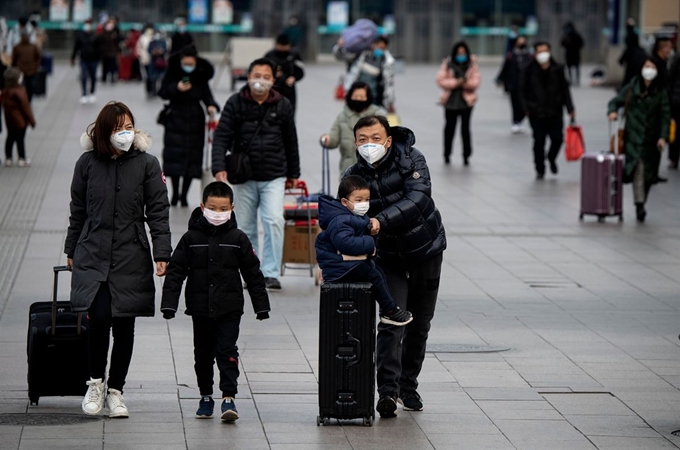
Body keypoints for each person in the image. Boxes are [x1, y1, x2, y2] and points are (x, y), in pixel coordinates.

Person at [64, 101, 171, 418]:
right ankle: (95, 383)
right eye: (116, 128)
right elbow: (77, 211)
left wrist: (161, 252)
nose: (124, 134)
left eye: (128, 127)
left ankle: (116, 391)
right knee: (97, 320)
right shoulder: (86, 164)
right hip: (93, 252)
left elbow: (158, 212)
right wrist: (72, 248)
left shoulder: (147, 164)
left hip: (130, 253)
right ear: (102, 132)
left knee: (125, 325)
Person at [343, 115, 446, 418]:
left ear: (387, 140)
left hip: (426, 249)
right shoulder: (353, 174)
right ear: (355, 143)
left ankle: (408, 386)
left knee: (420, 323)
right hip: (387, 258)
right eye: (363, 139)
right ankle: (387, 392)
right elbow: (346, 214)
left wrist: (379, 220)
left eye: (375, 138)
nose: (369, 145)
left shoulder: (411, 159)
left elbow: (418, 198)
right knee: (392, 321)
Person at [161, 182, 270, 422]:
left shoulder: (238, 239)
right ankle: (206, 396)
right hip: (200, 308)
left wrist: (261, 306)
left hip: (230, 307)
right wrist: (169, 303)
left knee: (226, 351)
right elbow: (176, 271)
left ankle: (228, 396)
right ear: (202, 207)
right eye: (212, 208)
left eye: (223, 209)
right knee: (202, 354)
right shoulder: (190, 238)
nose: (218, 213)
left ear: (231, 208)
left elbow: (253, 273)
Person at [211, 58, 300, 291]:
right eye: (256, 75)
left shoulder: (283, 104)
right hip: (244, 175)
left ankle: (270, 273)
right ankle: (251, 271)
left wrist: (294, 172)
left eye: (265, 76)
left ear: (273, 79)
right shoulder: (235, 103)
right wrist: (219, 166)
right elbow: (221, 136)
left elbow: (291, 139)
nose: (260, 80)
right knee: (246, 226)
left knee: (273, 220)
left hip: (274, 174)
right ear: (248, 77)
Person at [316, 176, 413, 326]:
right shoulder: (340, 220)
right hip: (338, 266)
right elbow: (345, 243)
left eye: (367, 199)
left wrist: (367, 228)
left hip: (344, 263)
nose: (364, 204)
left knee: (377, 272)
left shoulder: (351, 216)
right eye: (359, 200)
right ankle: (389, 311)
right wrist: (369, 243)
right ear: (344, 202)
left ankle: (389, 309)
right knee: (374, 275)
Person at [608, 58, 669, 222]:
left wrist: (663, 137)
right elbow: (615, 101)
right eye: (646, 66)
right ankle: (639, 205)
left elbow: (665, 116)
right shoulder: (632, 87)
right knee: (638, 168)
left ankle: (642, 201)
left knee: (649, 175)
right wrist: (612, 111)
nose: (649, 70)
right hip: (633, 137)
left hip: (652, 140)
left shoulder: (661, 92)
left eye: (652, 67)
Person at [159, 46, 219, 207]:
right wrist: (176, 88)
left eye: (190, 63)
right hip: (175, 118)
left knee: (192, 159)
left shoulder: (200, 75)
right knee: (174, 157)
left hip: (195, 120)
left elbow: (207, 95)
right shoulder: (172, 73)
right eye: (185, 63)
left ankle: (184, 194)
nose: (188, 65)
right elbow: (162, 91)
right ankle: (174, 192)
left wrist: (211, 106)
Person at [520, 41, 575, 179]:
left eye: (545, 51)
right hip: (536, 112)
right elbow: (522, 90)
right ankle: (540, 167)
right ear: (535, 53)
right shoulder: (528, 69)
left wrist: (570, 108)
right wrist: (526, 108)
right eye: (539, 51)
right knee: (539, 141)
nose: (543, 54)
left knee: (557, 139)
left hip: (555, 110)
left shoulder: (558, 68)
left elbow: (565, 89)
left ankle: (551, 157)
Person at [320, 81, 386, 175]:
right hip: (348, 170)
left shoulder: (377, 116)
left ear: (368, 98)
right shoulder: (342, 116)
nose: (358, 100)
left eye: (362, 97)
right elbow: (333, 138)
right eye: (355, 97)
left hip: (372, 170)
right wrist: (327, 139)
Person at [436, 41, 480, 166]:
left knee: (465, 129)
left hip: (466, 101)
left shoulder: (472, 65)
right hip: (450, 101)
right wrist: (456, 83)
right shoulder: (448, 64)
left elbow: (476, 82)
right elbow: (440, 80)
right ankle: (447, 154)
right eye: (459, 53)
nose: (461, 55)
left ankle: (466, 155)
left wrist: (465, 83)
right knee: (449, 129)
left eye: (463, 53)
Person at [334, 35, 396, 113]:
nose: (379, 49)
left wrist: (390, 102)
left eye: (382, 48)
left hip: (373, 98)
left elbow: (389, 83)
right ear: (372, 44)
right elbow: (341, 56)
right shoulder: (360, 54)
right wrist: (339, 47)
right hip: (356, 96)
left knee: (371, 121)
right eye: (378, 46)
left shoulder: (387, 61)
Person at [496, 35, 532, 133]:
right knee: (515, 104)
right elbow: (505, 68)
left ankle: (520, 120)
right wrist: (499, 80)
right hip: (514, 84)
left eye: (523, 41)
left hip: (526, 86)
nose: (521, 43)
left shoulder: (529, 56)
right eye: (519, 41)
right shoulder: (511, 55)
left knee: (525, 105)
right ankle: (515, 122)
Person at [264, 33, 305, 115]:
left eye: (285, 46)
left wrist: (294, 77)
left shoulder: (293, 55)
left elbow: (301, 70)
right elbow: (262, 70)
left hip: (288, 90)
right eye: (281, 46)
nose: (283, 48)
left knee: (289, 114)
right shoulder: (270, 55)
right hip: (272, 89)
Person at [2, 68, 35, 167]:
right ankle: (22, 158)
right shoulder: (20, 91)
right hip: (20, 121)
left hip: (10, 120)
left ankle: (8, 157)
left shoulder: (5, 91)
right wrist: (32, 121)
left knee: (10, 138)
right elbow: (26, 107)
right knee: (20, 139)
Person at [71, 19, 103, 104]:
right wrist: (73, 57)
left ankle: (92, 92)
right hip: (84, 59)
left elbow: (100, 48)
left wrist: (100, 58)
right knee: (84, 76)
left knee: (93, 76)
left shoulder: (96, 35)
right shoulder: (80, 35)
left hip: (94, 59)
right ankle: (84, 94)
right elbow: (76, 47)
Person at [11, 31, 40, 102]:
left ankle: (25, 101)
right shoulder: (32, 47)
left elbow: (13, 60)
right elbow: (38, 58)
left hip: (24, 71)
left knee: (25, 88)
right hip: (28, 71)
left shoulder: (18, 47)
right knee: (28, 88)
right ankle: (26, 101)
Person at [619, 18, 646, 89]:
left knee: (629, 76)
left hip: (632, 59)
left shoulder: (631, 35)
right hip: (633, 59)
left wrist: (622, 59)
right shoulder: (633, 34)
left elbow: (629, 48)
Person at [561, 22, 584, 86]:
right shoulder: (566, 36)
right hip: (569, 54)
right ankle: (571, 80)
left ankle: (577, 80)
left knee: (576, 67)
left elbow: (581, 43)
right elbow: (562, 44)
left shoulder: (576, 36)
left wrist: (575, 47)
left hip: (575, 53)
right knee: (569, 68)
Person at [147, 31, 168, 97]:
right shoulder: (151, 43)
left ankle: (161, 91)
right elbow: (149, 50)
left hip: (161, 63)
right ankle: (153, 91)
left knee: (162, 78)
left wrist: (161, 51)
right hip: (153, 62)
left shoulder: (163, 42)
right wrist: (154, 52)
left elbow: (166, 50)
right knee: (153, 78)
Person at [100, 19, 121, 83]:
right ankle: (104, 77)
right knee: (105, 66)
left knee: (113, 65)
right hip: (105, 53)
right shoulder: (104, 33)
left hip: (113, 52)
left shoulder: (115, 33)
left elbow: (119, 40)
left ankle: (112, 77)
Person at [668, 54, 680, 169]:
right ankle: (674, 158)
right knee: (674, 131)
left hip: (675, 100)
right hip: (676, 101)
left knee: (675, 131)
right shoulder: (677, 58)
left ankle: (674, 159)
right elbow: (671, 78)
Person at [136, 24, 154, 97]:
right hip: (145, 59)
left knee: (153, 76)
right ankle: (148, 90)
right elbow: (138, 47)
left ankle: (153, 90)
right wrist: (140, 55)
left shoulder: (155, 37)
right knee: (147, 76)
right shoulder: (142, 38)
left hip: (154, 60)